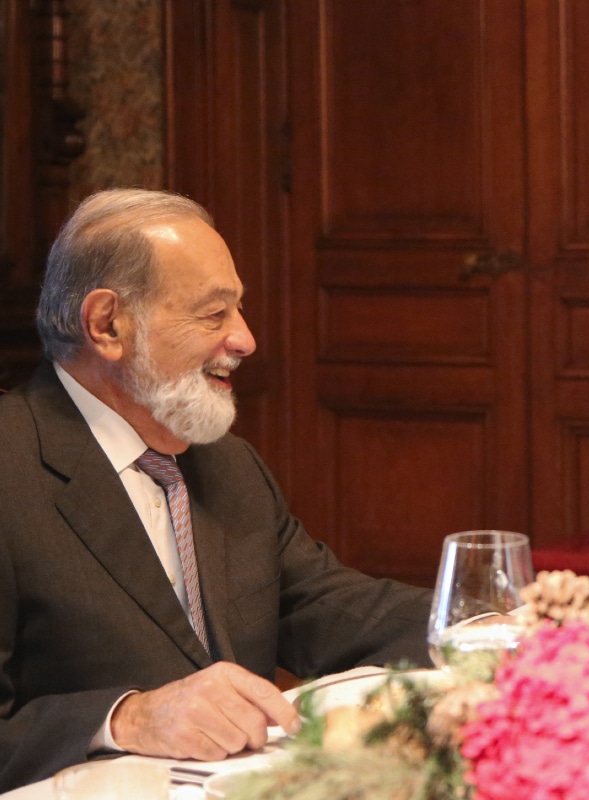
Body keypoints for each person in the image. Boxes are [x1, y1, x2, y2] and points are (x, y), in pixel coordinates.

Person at [0, 189, 433, 791]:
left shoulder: (226, 464)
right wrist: (125, 719)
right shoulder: (11, 469)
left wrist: (507, 625)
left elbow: (323, 608)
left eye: (239, 310)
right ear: (106, 324)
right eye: (213, 314)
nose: (246, 339)